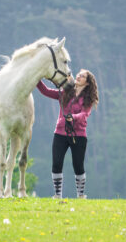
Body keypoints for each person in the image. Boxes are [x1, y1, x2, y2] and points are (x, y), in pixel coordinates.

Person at [36, 69, 99, 199]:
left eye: (82, 76)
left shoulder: (88, 98)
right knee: (56, 163)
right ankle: (57, 195)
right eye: (79, 75)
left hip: (79, 136)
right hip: (60, 133)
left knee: (78, 165)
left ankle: (81, 195)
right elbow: (46, 91)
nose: (79, 76)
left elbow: (84, 114)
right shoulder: (66, 92)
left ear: (87, 83)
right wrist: (37, 79)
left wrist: (73, 117)